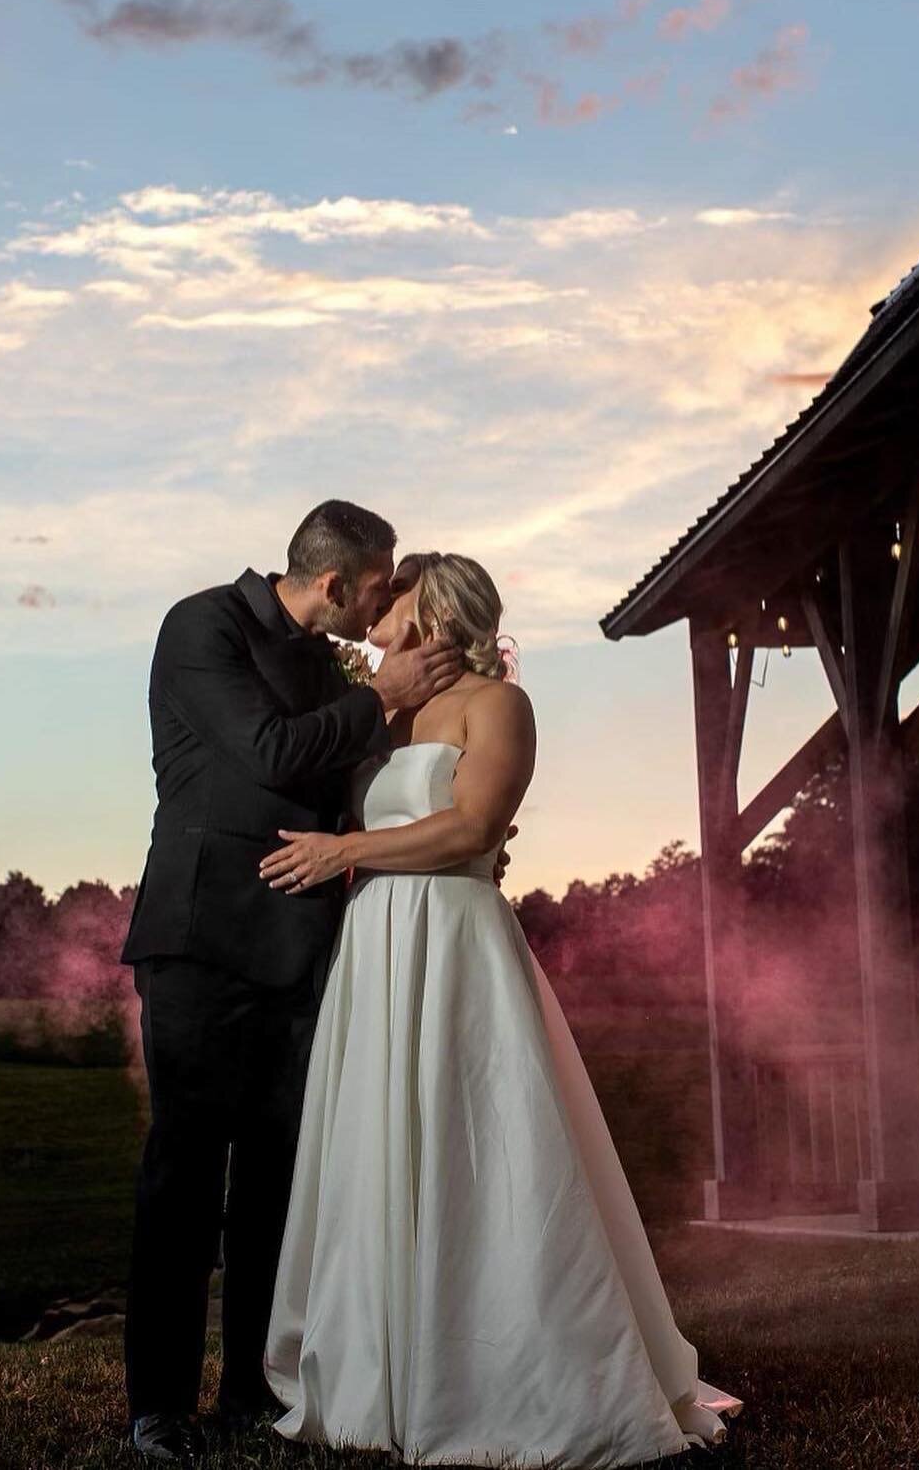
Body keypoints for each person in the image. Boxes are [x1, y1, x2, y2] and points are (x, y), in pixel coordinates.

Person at [259, 551, 743, 1466]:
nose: (374, 607)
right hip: (378, 942)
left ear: (429, 606)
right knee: (380, 1139)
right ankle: (378, 1368)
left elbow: (476, 827)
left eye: (391, 593)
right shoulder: (383, 712)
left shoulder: (498, 705)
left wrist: (345, 849)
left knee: (473, 1135)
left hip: (454, 937)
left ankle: (508, 1366)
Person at [120, 502, 465, 1466]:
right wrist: (384, 695)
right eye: (381, 580)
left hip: (303, 945)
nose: (387, 596)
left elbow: (346, 785)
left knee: (277, 1174)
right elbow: (268, 753)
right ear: (336, 582)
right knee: (184, 1172)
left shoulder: (332, 667)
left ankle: (250, 1388)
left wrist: (449, 821)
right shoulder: (203, 624)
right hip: (198, 937)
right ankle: (158, 1405)